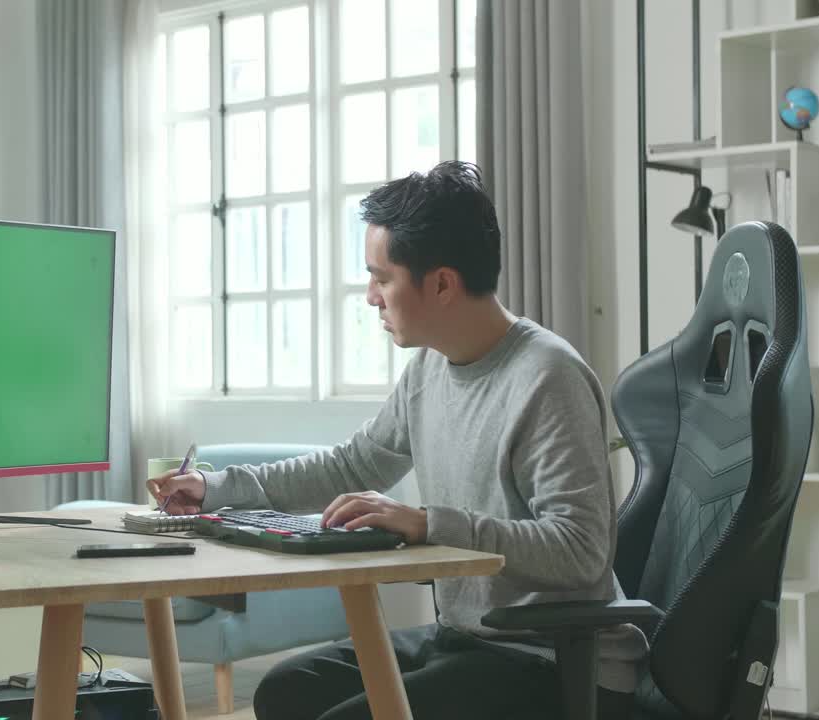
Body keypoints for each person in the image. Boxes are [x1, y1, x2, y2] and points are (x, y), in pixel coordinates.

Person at [148, 161, 646, 720]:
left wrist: (428, 523)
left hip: (555, 662)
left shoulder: (548, 377)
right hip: (467, 640)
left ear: (440, 284)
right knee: (283, 694)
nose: (370, 297)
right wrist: (213, 487)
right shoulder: (429, 370)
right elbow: (350, 465)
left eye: (381, 278)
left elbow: (580, 553)